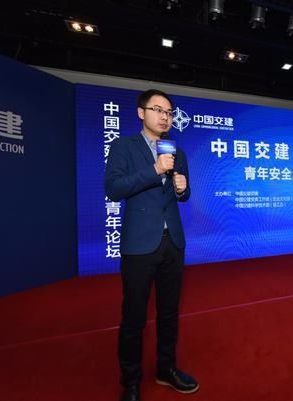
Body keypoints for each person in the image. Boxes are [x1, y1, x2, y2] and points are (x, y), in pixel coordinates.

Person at [105, 89, 198, 401]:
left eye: (169, 112)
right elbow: (114, 188)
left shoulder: (177, 152)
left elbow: (181, 195)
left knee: (169, 313)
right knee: (134, 317)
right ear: (141, 112)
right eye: (158, 110)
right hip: (139, 245)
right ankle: (130, 382)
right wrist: (154, 170)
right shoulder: (123, 146)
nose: (164, 117)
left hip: (173, 242)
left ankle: (166, 369)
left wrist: (183, 189)